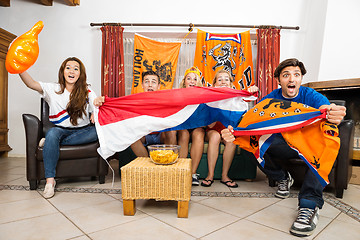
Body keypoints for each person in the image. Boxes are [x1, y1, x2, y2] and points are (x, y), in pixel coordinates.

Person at [221, 58, 346, 237]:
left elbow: (325, 107)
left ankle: (309, 205)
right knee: (249, 143)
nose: (291, 79)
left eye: (296, 75)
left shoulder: (310, 95)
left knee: (327, 141)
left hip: (307, 146)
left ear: (301, 79)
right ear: (279, 80)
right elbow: (251, 120)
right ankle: (281, 178)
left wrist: (334, 112)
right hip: (282, 145)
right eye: (286, 75)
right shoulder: (271, 98)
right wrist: (234, 133)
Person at [19, 57, 99, 199]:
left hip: (83, 131)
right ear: (62, 71)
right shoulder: (52, 89)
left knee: (99, 131)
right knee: (53, 134)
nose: (72, 71)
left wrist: (96, 113)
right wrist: (18, 67)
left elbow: (97, 107)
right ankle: (50, 181)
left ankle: (49, 142)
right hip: (60, 130)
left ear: (80, 74)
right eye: (68, 67)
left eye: (76, 68)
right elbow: (30, 84)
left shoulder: (87, 91)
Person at [94, 70, 177, 157]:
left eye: (153, 82)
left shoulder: (165, 100)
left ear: (158, 86)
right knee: (130, 135)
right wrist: (103, 100)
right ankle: (146, 164)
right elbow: (118, 104)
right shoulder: (135, 100)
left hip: (161, 134)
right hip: (144, 135)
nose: (150, 85)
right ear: (142, 85)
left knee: (172, 132)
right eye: (146, 82)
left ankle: (168, 161)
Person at [201, 70, 258, 188]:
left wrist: (253, 89)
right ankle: (210, 175)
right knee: (215, 137)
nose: (223, 82)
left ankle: (225, 176)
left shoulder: (237, 98)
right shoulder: (209, 97)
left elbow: (251, 95)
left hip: (229, 129)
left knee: (230, 140)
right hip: (213, 129)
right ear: (215, 84)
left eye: (226, 79)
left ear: (231, 84)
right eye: (220, 79)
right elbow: (207, 122)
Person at [176, 66, 206, 186]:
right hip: (183, 126)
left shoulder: (203, 96)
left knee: (199, 133)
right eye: (189, 78)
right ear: (184, 82)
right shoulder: (178, 95)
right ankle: (182, 171)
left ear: (198, 82)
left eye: (195, 79)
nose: (192, 81)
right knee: (183, 133)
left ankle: (193, 173)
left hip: (197, 126)